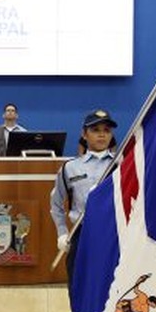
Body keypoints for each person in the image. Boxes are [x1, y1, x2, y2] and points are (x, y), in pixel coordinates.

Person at [50, 109, 117, 295]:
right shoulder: (70, 168)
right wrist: (62, 233)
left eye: (106, 129)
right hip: (81, 235)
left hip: (114, 235)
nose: (102, 134)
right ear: (84, 134)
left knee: (113, 292)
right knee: (80, 290)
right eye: (96, 129)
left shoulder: (122, 166)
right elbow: (56, 205)